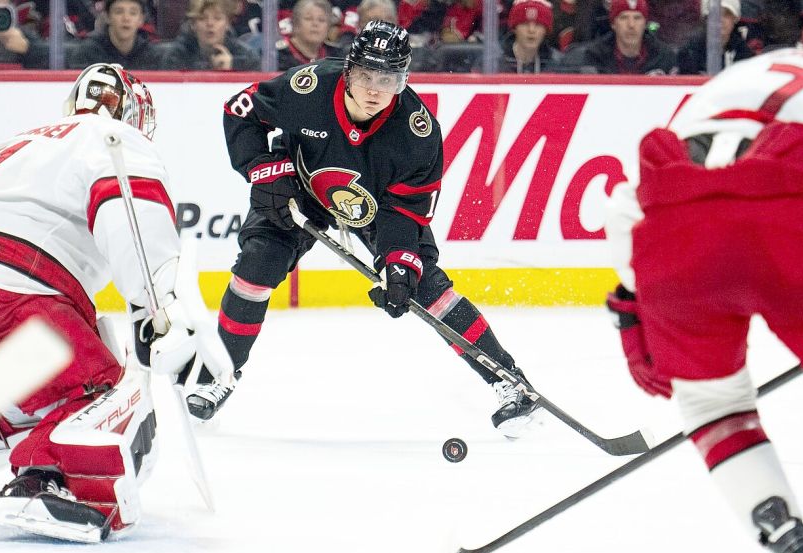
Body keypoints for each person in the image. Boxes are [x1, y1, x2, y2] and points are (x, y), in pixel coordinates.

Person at [0, 63, 230, 542]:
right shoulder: (112, 136)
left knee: (37, 379)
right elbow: (128, 209)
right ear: (137, 117)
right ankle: (55, 483)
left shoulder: (23, 142)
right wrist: (160, 309)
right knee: (98, 390)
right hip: (0, 286)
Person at [185, 20, 540, 438]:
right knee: (257, 264)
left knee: (426, 287)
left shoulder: (417, 132)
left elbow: (406, 210)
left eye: (388, 79)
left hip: (378, 207)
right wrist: (263, 170)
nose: (375, 89)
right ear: (348, 69)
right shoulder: (308, 86)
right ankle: (218, 373)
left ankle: (508, 379)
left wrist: (398, 262)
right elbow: (241, 111)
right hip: (300, 188)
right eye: (367, 75)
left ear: (403, 79)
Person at [604, 1, 803, 551]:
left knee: (713, 405)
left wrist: (634, 301)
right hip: (792, 233)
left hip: (676, 245)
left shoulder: (743, 72)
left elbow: (628, 208)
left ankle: (778, 526)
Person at [561, 0, 678, 75]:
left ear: (645, 23)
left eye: (637, 18)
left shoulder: (664, 56)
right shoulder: (595, 56)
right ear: (613, 23)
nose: (631, 25)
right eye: (624, 18)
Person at [160, 0, 260, 71]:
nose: (210, 24)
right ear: (193, 24)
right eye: (202, 18)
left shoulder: (246, 57)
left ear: (228, 23)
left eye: (217, 18)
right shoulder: (175, 56)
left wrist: (233, 68)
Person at [67, 0, 161, 69]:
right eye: (119, 12)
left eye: (133, 13)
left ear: (141, 19)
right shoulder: (88, 52)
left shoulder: (151, 55)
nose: (126, 18)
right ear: (107, 16)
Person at [677, 0, 754, 75]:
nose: (720, 20)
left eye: (727, 14)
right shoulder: (689, 52)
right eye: (714, 13)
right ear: (706, 19)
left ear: (735, 19)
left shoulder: (744, 53)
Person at [497, 0, 563, 73]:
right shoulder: (495, 61)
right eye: (525, 24)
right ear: (514, 28)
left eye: (538, 25)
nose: (531, 30)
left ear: (546, 30)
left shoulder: (558, 64)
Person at [276, 0, 342, 70]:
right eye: (308, 18)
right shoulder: (277, 55)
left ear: (328, 26)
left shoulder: (337, 56)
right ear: (295, 22)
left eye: (321, 20)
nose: (315, 24)